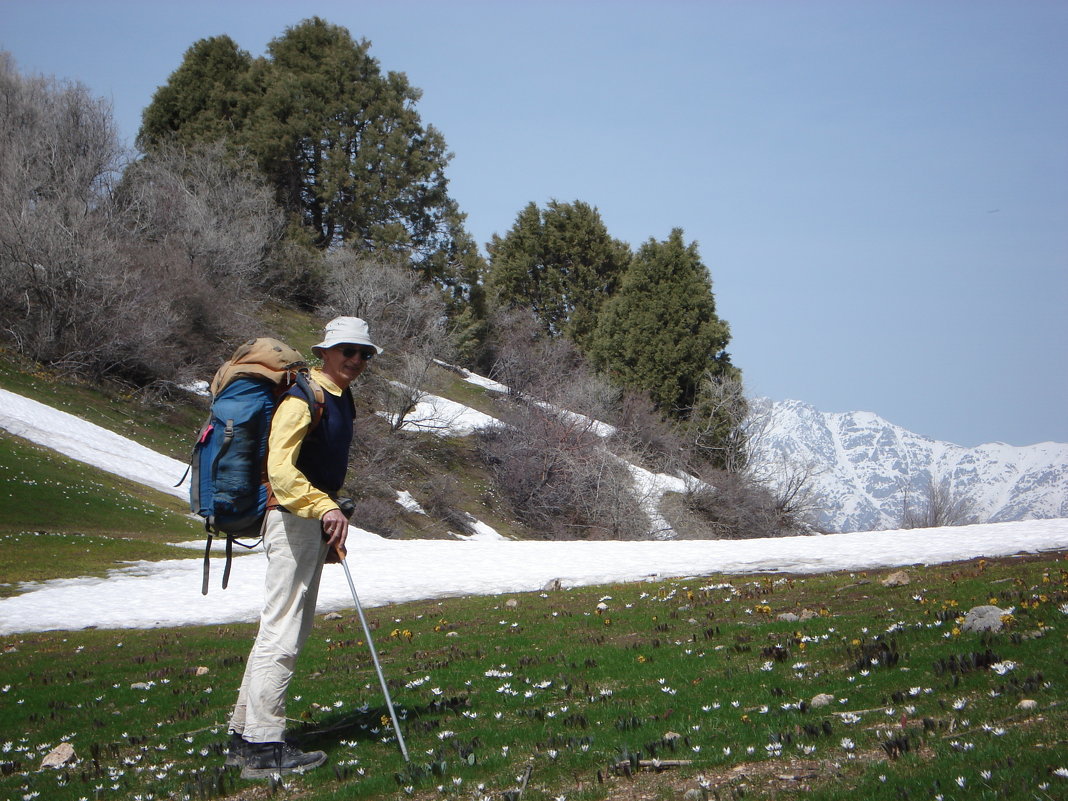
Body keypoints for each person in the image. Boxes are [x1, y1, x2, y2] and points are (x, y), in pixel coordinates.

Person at [226, 316, 381, 779]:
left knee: (278, 625)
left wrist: (330, 506)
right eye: (347, 352)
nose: (356, 360)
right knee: (285, 629)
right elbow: (281, 470)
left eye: (364, 354)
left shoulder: (338, 397)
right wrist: (323, 507)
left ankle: (243, 735)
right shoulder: (303, 398)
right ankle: (264, 747)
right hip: (293, 520)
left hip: (307, 520)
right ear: (324, 353)